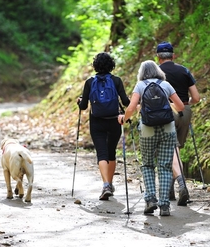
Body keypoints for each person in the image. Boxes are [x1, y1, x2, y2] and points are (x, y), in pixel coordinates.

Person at [118, 60, 184, 216]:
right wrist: (168, 105)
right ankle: (165, 205)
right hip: (168, 128)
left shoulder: (140, 86)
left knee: (147, 164)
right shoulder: (166, 85)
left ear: (141, 73)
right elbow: (180, 106)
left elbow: (132, 108)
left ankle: (150, 200)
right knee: (165, 166)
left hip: (147, 129)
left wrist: (123, 117)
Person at [77, 52, 130, 201]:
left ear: (95, 66)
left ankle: (106, 184)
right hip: (114, 120)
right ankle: (110, 184)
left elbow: (83, 106)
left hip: (97, 121)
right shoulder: (116, 80)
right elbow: (125, 102)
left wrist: (79, 100)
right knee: (111, 152)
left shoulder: (89, 82)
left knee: (101, 153)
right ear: (111, 65)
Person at [156, 41, 201, 206]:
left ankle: (181, 183)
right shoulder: (184, 70)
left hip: (165, 112)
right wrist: (185, 103)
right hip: (185, 111)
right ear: (173, 55)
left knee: (168, 149)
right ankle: (169, 189)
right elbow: (196, 98)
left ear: (158, 57)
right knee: (175, 149)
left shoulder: (156, 72)